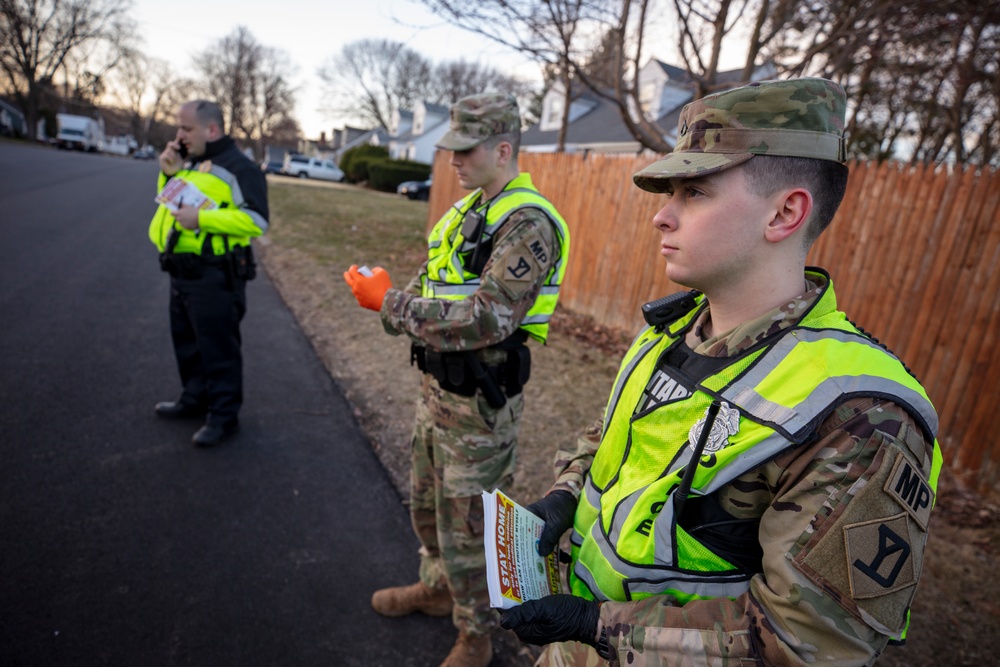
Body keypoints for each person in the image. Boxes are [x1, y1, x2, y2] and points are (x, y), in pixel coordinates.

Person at [499, 78, 941, 666]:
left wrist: (596, 624)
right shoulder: (670, 334)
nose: (661, 215)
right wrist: (565, 493)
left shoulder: (859, 412)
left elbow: (809, 644)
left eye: (695, 192)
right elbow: (614, 444)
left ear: (785, 212)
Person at [343, 93, 571, 667]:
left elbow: (489, 317)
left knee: (470, 528)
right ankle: (437, 588)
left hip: (479, 408)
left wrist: (390, 305)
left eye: (464, 150)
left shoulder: (529, 223)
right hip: (437, 394)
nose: (452, 161)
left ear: (502, 149)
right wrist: (396, 292)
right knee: (427, 508)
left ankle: (476, 636)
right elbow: (437, 286)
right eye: (450, 149)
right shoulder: (472, 210)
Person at [149, 100, 268, 447]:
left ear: (211, 129)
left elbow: (258, 221)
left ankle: (223, 416)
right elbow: (169, 202)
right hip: (181, 271)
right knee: (186, 343)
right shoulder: (194, 162)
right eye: (179, 128)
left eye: (186, 128)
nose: (178, 135)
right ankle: (194, 399)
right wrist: (168, 172)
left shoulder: (241, 168)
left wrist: (203, 219)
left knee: (218, 349)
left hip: (216, 277)